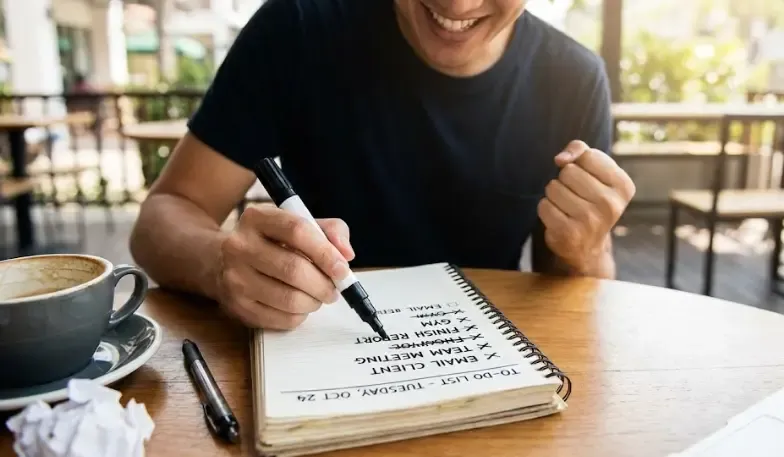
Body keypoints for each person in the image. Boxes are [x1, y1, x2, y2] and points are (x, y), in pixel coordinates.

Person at [129, 0, 636, 331]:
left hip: (488, 364)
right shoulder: (297, 26)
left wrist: (587, 251)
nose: (458, 5)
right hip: (315, 344)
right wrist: (219, 264)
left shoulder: (572, 78)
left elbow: (578, 292)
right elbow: (164, 216)